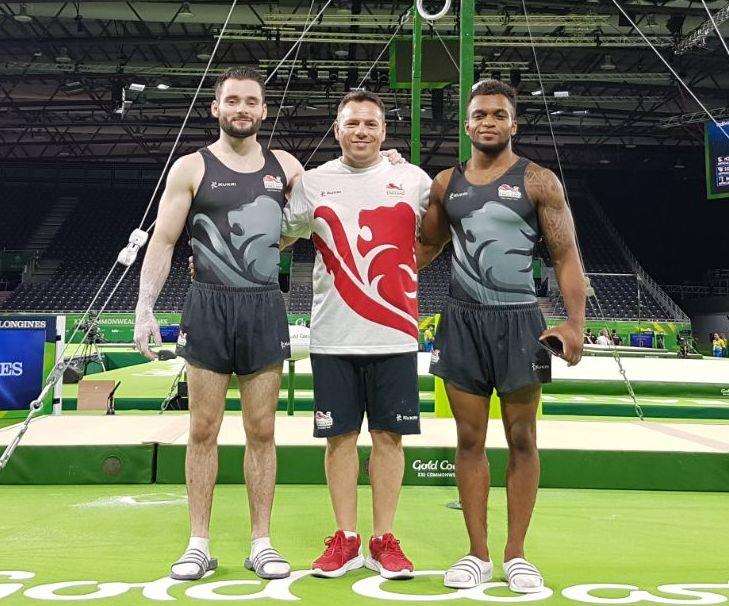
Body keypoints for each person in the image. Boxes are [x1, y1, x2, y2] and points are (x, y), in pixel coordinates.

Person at [134, 67, 305, 582]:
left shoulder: (287, 166)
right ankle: (198, 543)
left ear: (264, 110)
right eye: (232, 100)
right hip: (207, 305)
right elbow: (163, 241)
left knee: (262, 430)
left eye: (251, 101)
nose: (242, 109)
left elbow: (323, 208)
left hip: (261, 306)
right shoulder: (191, 167)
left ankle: (262, 542)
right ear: (216, 108)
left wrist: (382, 160)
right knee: (202, 428)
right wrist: (145, 307)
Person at [418, 79, 586, 593]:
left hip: (522, 324)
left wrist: (575, 322)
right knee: (468, 439)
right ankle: (477, 554)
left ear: (513, 123)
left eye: (498, 114)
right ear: (466, 124)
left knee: (522, 437)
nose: (488, 122)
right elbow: (421, 252)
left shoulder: (539, 182)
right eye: (479, 115)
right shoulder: (447, 184)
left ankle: (516, 555)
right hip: (462, 321)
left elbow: (565, 257)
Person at [281, 90, 432, 580]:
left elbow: (446, 226)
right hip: (332, 337)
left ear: (384, 131)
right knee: (340, 439)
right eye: (352, 124)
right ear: (338, 129)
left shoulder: (412, 179)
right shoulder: (314, 182)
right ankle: (345, 538)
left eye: (370, 124)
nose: (361, 131)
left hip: (394, 336)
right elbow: (278, 234)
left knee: (390, 439)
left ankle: (383, 538)